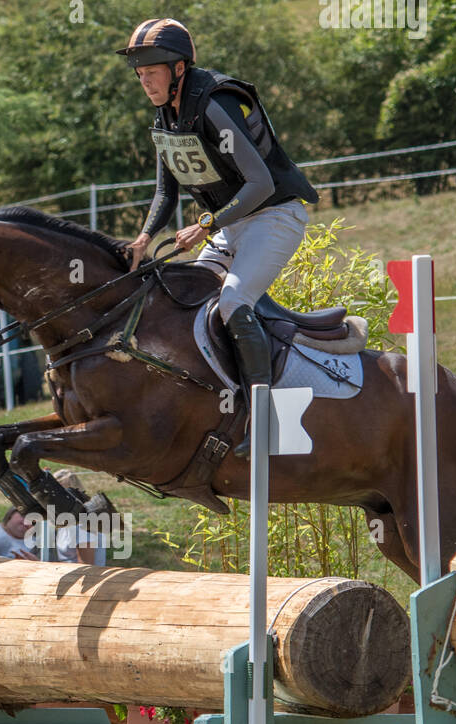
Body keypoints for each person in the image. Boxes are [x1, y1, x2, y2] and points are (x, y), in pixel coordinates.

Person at [117, 18, 319, 459]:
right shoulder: (165, 113)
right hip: (232, 222)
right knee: (188, 300)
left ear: (180, 68)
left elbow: (260, 182)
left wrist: (206, 225)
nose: (144, 79)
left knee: (231, 302)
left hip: (274, 216)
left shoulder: (214, 103)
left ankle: (263, 418)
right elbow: (165, 191)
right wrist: (144, 238)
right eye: (139, 71)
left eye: (152, 69)